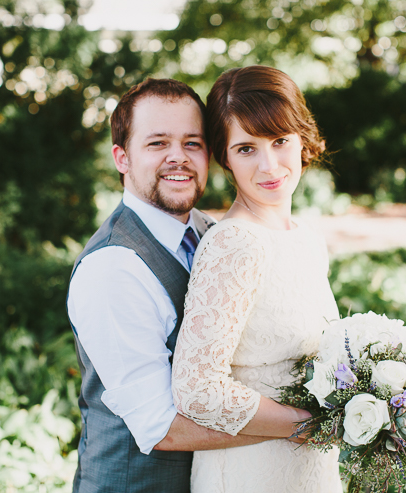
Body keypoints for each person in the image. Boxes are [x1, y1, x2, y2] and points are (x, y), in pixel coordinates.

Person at [66, 77, 309, 493]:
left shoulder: (209, 233)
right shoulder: (113, 268)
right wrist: (310, 425)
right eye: (157, 143)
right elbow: (162, 428)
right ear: (122, 158)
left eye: (192, 143)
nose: (178, 157)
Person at [171, 65, 342, 492]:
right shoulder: (234, 245)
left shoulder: (306, 239)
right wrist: (308, 424)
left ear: (301, 137)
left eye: (280, 141)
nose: (270, 166)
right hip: (252, 472)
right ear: (223, 156)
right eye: (246, 148)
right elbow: (196, 388)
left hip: (311, 471)